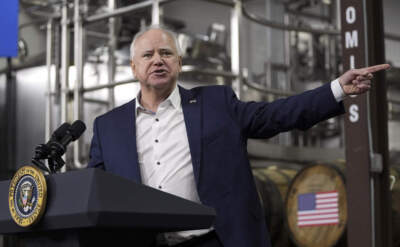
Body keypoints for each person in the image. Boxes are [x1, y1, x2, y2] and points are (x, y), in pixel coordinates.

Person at [87, 26, 390, 247]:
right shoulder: (107, 127)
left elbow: (277, 114)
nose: (158, 60)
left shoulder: (217, 103)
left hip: (214, 241)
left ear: (178, 63)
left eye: (166, 53)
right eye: (148, 54)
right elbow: (97, 195)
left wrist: (336, 88)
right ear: (134, 67)